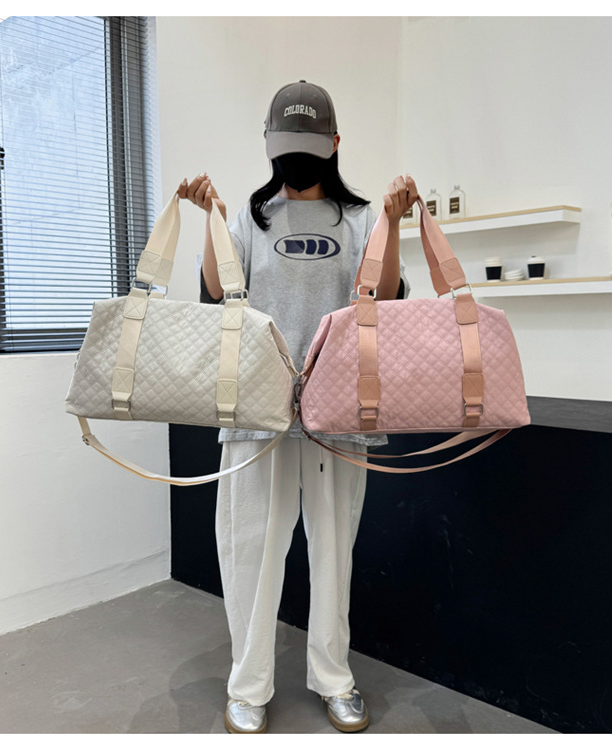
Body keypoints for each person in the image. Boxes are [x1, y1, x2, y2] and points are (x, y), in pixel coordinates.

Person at [178, 80, 417, 734]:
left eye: (308, 147)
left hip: (338, 413)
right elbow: (218, 296)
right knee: (250, 552)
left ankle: (333, 676)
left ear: (334, 144)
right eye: (285, 146)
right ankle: (249, 683)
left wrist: (394, 222)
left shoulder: (361, 219)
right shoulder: (248, 220)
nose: (295, 160)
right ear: (268, 143)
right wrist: (212, 217)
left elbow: (383, 299)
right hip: (256, 411)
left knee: (333, 553)